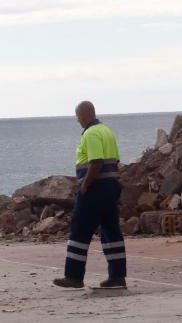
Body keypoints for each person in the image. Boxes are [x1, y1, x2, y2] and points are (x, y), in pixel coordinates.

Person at [53, 101, 127, 289]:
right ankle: (117, 276)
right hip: (111, 186)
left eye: (78, 116)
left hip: (96, 187)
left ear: (85, 114)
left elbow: (96, 162)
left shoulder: (91, 133)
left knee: (80, 229)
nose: (77, 120)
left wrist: (85, 184)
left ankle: (74, 276)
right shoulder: (106, 131)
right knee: (111, 231)